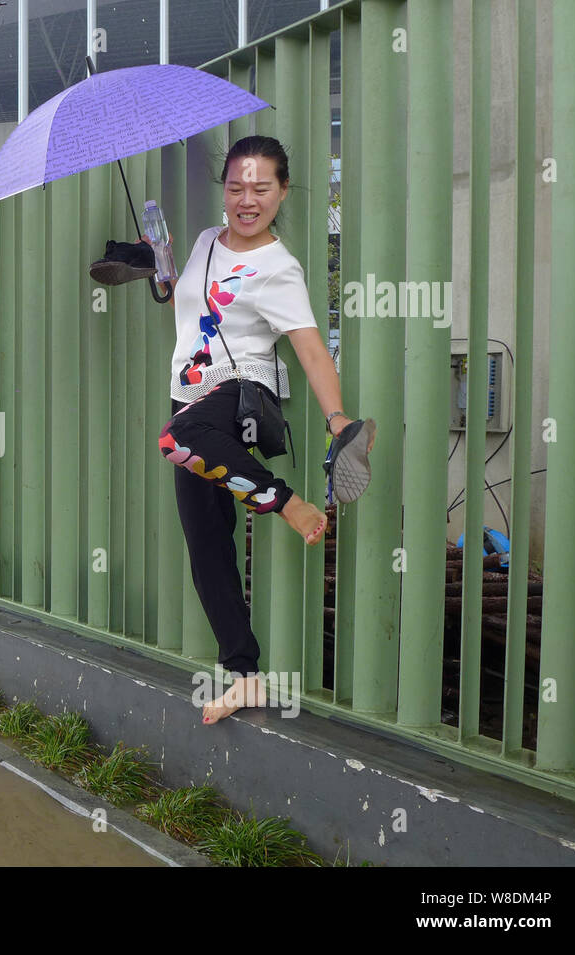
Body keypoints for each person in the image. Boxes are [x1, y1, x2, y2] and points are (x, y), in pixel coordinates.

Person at [156, 135, 375, 726]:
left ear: (282, 191)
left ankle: (287, 503)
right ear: (222, 190)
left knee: (176, 440)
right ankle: (245, 676)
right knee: (207, 546)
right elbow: (190, 307)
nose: (246, 200)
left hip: (237, 393)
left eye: (260, 188)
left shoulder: (279, 267)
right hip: (188, 393)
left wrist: (338, 420)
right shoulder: (204, 241)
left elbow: (308, 346)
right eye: (235, 188)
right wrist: (155, 269)